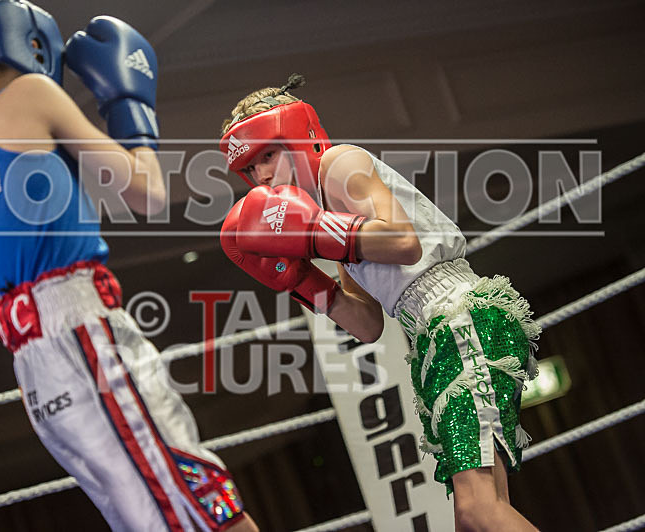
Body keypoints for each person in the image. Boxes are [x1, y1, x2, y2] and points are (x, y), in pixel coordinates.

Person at [0, 1, 257, 530]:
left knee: (149, 517)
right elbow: (148, 192)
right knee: (198, 494)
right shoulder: (31, 93)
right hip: (81, 334)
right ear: (31, 39)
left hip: (36, 369)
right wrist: (128, 102)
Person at [218, 74, 541, 532]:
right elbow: (368, 323)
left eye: (267, 156)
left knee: (476, 510)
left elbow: (404, 244)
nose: (262, 176)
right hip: (431, 338)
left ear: (297, 137)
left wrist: (314, 235)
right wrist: (302, 282)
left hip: (460, 315)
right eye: (249, 170)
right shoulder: (324, 221)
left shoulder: (339, 164)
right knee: (476, 517)